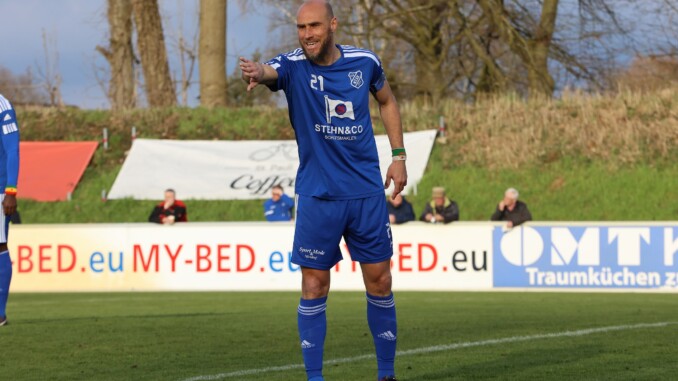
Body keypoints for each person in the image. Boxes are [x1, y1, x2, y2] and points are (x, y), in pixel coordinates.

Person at [240, 1, 407, 380]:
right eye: (301, 27)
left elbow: (387, 100)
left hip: (365, 192)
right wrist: (258, 72)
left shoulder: (365, 61)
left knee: (380, 280)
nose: (307, 34)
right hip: (318, 195)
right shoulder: (292, 64)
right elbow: (271, 71)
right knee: (314, 284)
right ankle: (314, 377)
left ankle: (386, 374)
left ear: (332, 25)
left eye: (314, 26)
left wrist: (398, 155)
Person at [0, 94, 20, 327]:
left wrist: (11, 191)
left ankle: (0, 313)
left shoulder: (2, 106)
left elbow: (12, 150)